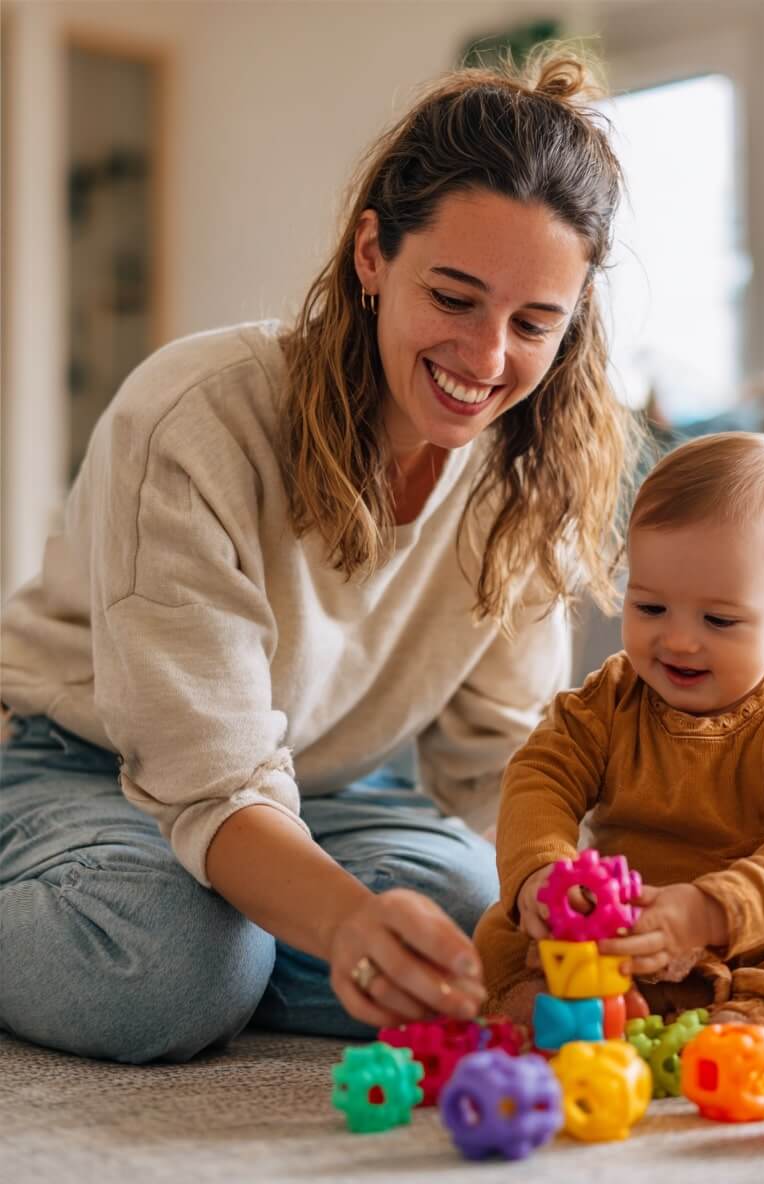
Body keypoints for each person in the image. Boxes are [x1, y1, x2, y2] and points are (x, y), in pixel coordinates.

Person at [0, 49, 640, 1063]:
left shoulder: (526, 478)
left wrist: (577, 917)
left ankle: (254, 939)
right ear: (372, 253)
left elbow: (497, 767)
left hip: (325, 786)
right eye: (456, 296)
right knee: (170, 965)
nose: (484, 360)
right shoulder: (196, 417)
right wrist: (343, 922)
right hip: (85, 761)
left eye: (532, 323)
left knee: (472, 916)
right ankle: (231, 954)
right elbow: (206, 776)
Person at [475, 432, 764, 1048]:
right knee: (498, 931)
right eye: (649, 608)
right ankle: (570, 1008)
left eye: (719, 620)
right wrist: (542, 873)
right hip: (623, 935)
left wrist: (711, 912)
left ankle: (752, 1027)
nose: (677, 641)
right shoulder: (609, 701)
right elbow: (541, 773)